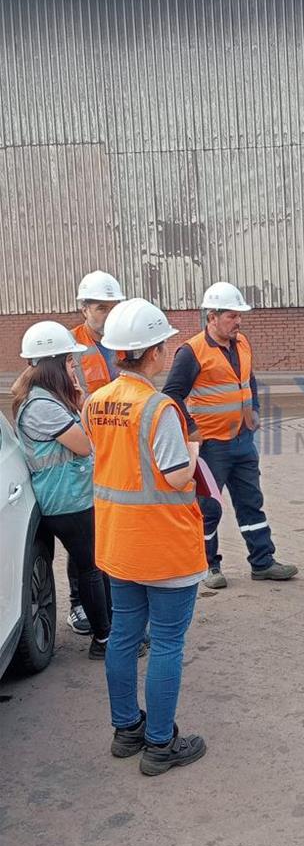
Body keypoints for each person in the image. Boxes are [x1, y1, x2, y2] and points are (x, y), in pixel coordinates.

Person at [83, 298, 207, 776]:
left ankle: (126, 730)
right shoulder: (159, 408)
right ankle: (159, 744)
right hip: (164, 546)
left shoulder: (96, 401)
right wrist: (195, 448)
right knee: (168, 642)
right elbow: (176, 476)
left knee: (123, 636)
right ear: (153, 352)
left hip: (118, 541)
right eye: (165, 345)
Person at [163, 282, 297, 588]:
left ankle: (263, 562)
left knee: (251, 502)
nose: (238, 321)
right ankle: (208, 566)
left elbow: (249, 380)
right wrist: (192, 430)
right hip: (212, 446)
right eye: (232, 316)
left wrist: (255, 409)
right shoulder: (191, 352)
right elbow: (171, 395)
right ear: (212, 317)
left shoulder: (242, 343)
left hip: (242, 440)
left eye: (239, 315)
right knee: (208, 508)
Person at [12, 322, 112, 660]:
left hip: (70, 498)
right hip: (67, 502)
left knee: (91, 565)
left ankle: (104, 628)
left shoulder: (46, 399)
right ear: (53, 365)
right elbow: (84, 445)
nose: (74, 366)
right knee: (92, 568)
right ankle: (104, 639)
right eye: (70, 361)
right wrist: (81, 406)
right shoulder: (42, 406)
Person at [64, 270, 126, 636]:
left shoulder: (124, 339)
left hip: (118, 448)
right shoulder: (69, 345)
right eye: (101, 308)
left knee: (113, 527)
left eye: (112, 306)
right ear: (84, 308)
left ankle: (113, 598)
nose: (108, 314)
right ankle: (79, 604)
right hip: (85, 450)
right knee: (85, 534)